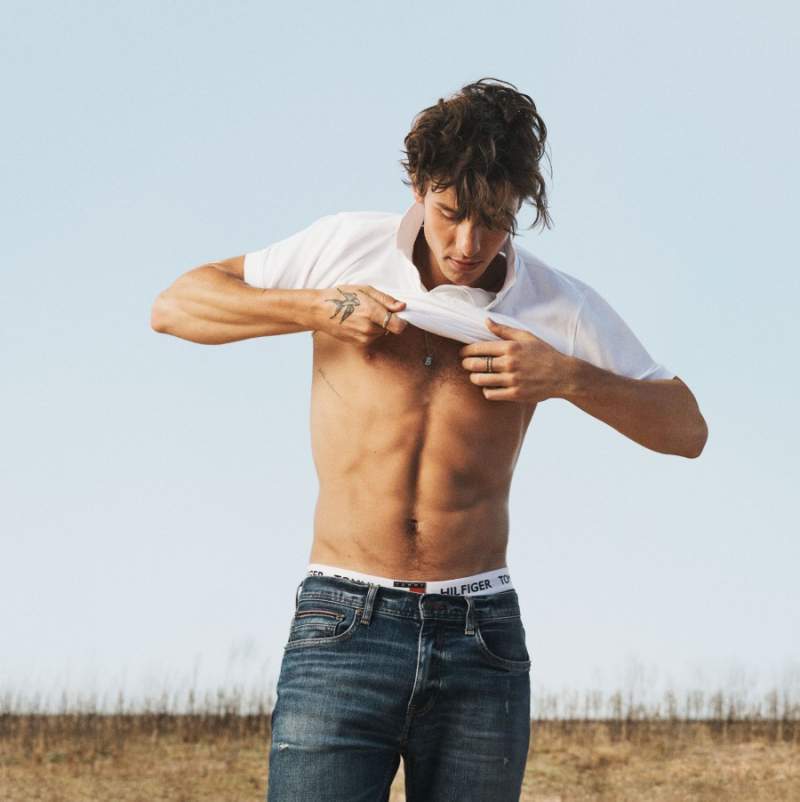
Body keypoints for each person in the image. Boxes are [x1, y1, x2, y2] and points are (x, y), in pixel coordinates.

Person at [150, 77, 707, 801]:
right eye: (450, 214)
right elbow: (176, 306)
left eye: (495, 220)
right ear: (417, 187)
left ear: (520, 206)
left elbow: (686, 429)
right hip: (343, 619)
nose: (468, 243)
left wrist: (566, 376)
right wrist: (319, 308)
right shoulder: (343, 247)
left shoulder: (556, 305)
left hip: (480, 632)